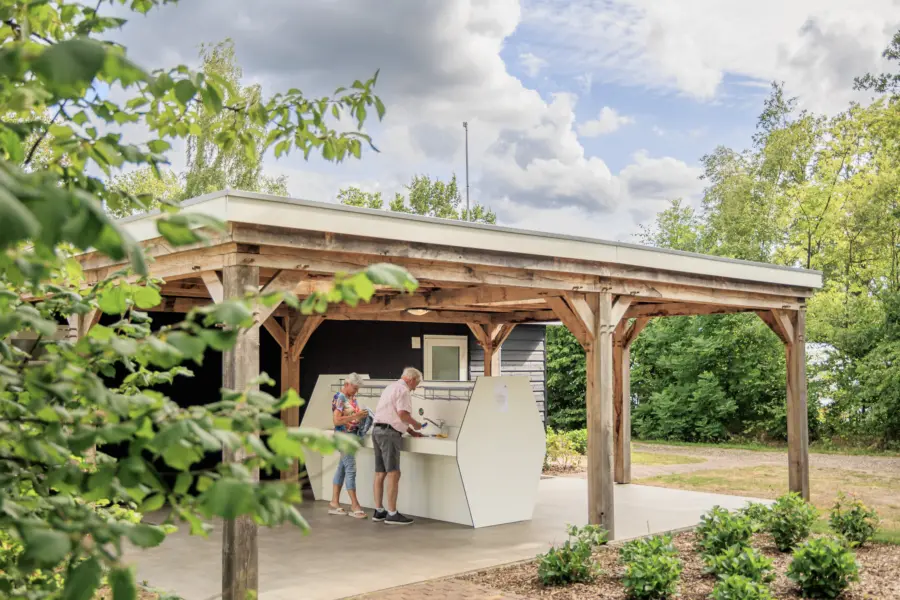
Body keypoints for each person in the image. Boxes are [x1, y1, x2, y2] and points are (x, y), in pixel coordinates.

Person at [371, 367, 424, 525]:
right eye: (416, 383)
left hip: (377, 431)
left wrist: (411, 432)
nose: (415, 387)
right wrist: (417, 425)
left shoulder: (390, 387)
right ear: (411, 379)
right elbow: (402, 414)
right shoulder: (404, 390)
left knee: (380, 472)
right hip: (389, 435)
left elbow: (392, 415)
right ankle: (392, 513)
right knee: (394, 473)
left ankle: (379, 511)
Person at [328, 373, 368, 519]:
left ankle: (334, 503)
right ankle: (355, 505)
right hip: (343, 437)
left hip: (351, 437)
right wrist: (355, 417)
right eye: (355, 388)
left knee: (342, 468)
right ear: (347, 384)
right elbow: (337, 421)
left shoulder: (352, 398)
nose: (356, 391)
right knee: (351, 468)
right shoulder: (340, 397)